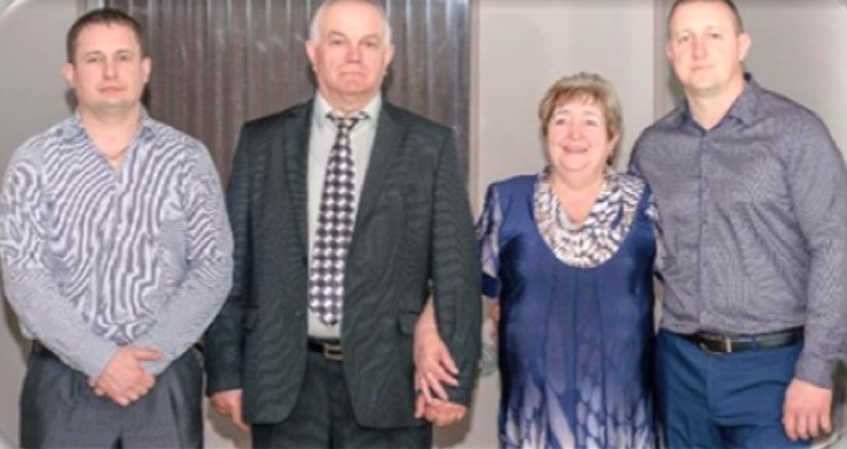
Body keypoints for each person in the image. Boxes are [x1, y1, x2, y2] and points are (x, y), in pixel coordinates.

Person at [202, 0, 481, 447]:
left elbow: (457, 271)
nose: (354, 56)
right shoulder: (261, 142)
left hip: (393, 383)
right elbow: (230, 267)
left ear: (387, 57)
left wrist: (456, 379)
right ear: (313, 53)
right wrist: (225, 372)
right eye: (338, 42)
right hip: (282, 381)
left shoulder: (429, 145)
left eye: (368, 43)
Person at [0, 7, 233, 449]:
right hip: (63, 386)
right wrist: (100, 358)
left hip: (162, 380)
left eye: (123, 57)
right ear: (71, 73)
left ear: (145, 69)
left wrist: (145, 360)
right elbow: (24, 274)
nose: (110, 71)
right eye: (94, 59)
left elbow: (213, 267)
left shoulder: (187, 159)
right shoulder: (35, 162)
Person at [629, 1, 847, 448]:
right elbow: (629, 251)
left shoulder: (797, 133)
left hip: (775, 369)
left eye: (714, 34)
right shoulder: (652, 149)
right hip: (680, 369)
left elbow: (835, 247)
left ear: (742, 44)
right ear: (670, 52)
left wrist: (817, 369)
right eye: (685, 38)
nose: (699, 49)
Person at [418, 71, 658, 449]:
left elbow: (689, 281)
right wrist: (428, 332)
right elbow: (460, 283)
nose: (574, 134)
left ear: (612, 138)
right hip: (533, 416)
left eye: (590, 122)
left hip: (622, 418)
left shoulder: (645, 202)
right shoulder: (508, 200)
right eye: (561, 120)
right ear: (546, 134)